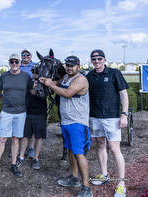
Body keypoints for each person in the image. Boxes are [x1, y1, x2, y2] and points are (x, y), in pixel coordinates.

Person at [39, 56, 93, 197]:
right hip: (67, 122)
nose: (69, 67)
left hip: (78, 123)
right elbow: (56, 82)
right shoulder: (65, 78)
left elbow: (67, 93)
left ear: (78, 66)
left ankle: (86, 188)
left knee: (79, 153)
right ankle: (74, 178)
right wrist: (45, 80)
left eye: (72, 65)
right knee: (70, 150)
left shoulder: (80, 80)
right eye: (68, 65)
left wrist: (51, 85)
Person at [86, 49, 129, 197]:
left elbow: (124, 94)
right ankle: (104, 175)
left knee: (114, 148)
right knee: (99, 144)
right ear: (91, 61)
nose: (96, 61)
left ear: (104, 59)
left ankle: (121, 183)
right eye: (94, 59)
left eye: (99, 58)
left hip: (112, 118)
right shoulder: (89, 76)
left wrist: (124, 115)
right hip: (95, 117)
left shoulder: (114, 73)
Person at [0, 53, 32, 178]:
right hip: (6, 112)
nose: (14, 64)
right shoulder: (4, 76)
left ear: (20, 63)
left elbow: (32, 91)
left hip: (20, 113)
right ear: (9, 63)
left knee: (15, 139)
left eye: (16, 61)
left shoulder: (26, 76)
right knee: (2, 139)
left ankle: (13, 164)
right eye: (12, 62)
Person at [17, 49, 47, 169]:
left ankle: (35, 158)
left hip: (40, 112)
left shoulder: (45, 82)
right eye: (33, 72)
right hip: (27, 111)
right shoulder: (27, 81)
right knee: (25, 136)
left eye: (36, 71)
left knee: (38, 136)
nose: (35, 73)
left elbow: (45, 93)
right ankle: (21, 157)